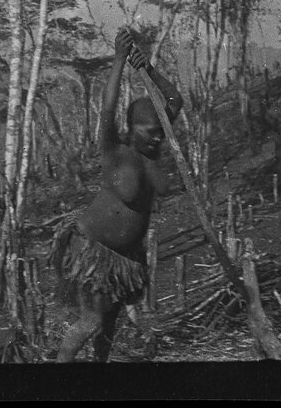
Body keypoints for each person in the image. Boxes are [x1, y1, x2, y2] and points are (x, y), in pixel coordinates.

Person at [50, 26, 183, 362]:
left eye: (159, 132)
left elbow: (174, 100)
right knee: (91, 320)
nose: (156, 139)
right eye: (150, 132)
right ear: (132, 127)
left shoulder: (152, 154)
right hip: (94, 250)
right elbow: (107, 110)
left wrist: (148, 68)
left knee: (109, 323)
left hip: (124, 259)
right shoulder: (114, 151)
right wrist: (119, 60)